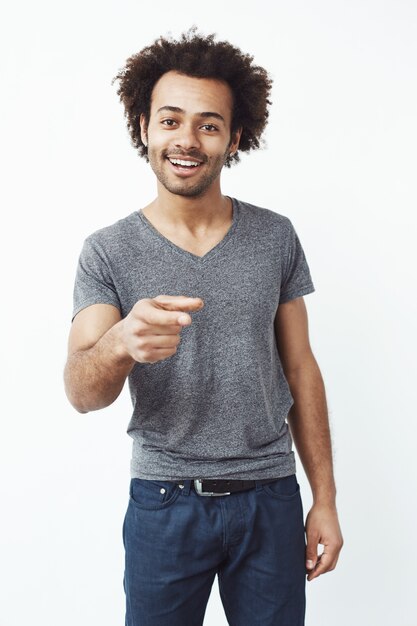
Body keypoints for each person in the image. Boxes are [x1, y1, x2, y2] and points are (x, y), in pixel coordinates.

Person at [64, 28, 343, 626]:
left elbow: (301, 368)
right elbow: (82, 392)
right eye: (170, 120)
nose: (187, 140)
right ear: (144, 127)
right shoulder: (107, 252)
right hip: (164, 504)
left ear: (234, 137)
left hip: (270, 498)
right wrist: (119, 345)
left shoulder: (275, 236)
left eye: (208, 124)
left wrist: (325, 499)